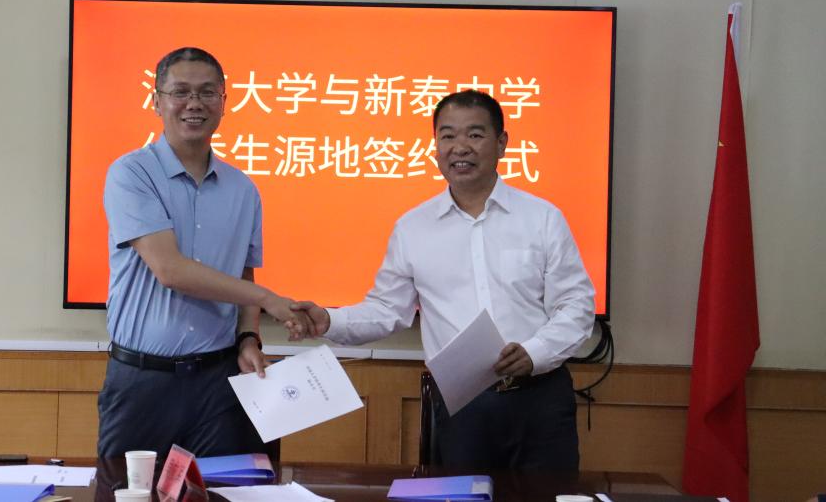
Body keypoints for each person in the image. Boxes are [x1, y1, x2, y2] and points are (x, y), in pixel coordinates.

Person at [294, 90, 595, 471]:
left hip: (540, 399)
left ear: (502, 143)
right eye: (447, 135)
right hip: (463, 405)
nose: (460, 147)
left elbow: (577, 306)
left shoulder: (542, 218)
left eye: (475, 134)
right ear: (436, 146)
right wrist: (329, 319)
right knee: (462, 495)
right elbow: (388, 310)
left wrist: (535, 351)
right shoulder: (413, 228)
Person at [97, 46, 311, 459]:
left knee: (222, 488)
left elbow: (243, 275)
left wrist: (248, 338)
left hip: (219, 383)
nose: (194, 103)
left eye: (207, 92)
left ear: (224, 102)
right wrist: (269, 299)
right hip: (143, 380)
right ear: (156, 101)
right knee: (129, 488)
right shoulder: (132, 173)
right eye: (181, 92)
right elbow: (170, 270)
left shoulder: (243, 189)